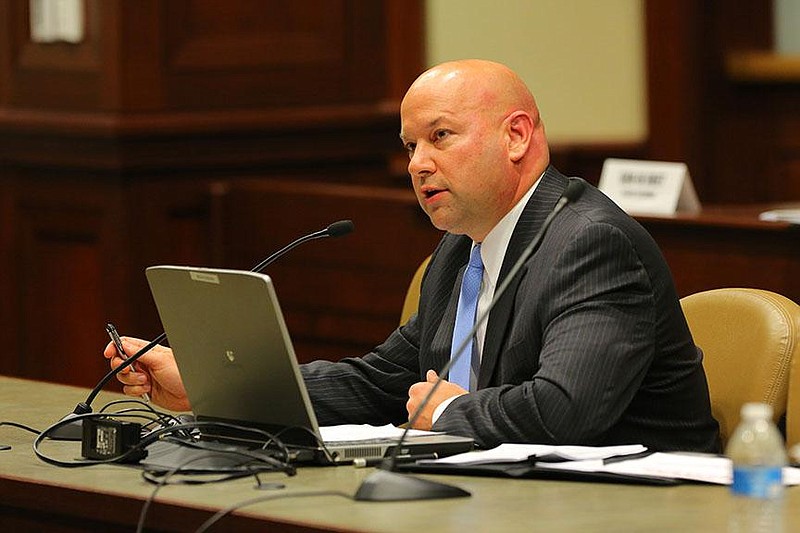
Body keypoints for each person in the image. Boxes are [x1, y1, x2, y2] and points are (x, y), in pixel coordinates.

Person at [105, 59, 720, 452]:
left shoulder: (589, 243)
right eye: (409, 146)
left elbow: (565, 411)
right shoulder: (459, 252)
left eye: (440, 137)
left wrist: (453, 412)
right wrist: (214, 384)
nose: (418, 163)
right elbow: (380, 382)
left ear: (516, 136)